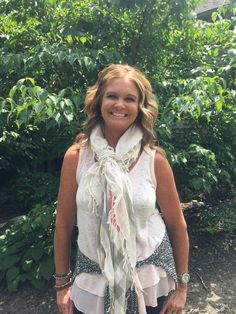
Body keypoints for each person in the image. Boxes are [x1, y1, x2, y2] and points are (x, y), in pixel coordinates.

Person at [53, 64, 189, 314]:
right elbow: (63, 223)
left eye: (130, 99)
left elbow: (177, 224)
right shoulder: (76, 157)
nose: (120, 105)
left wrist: (182, 287)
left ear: (140, 107)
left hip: (151, 279)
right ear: (99, 101)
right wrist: (62, 283)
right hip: (93, 278)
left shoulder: (154, 160)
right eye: (112, 96)